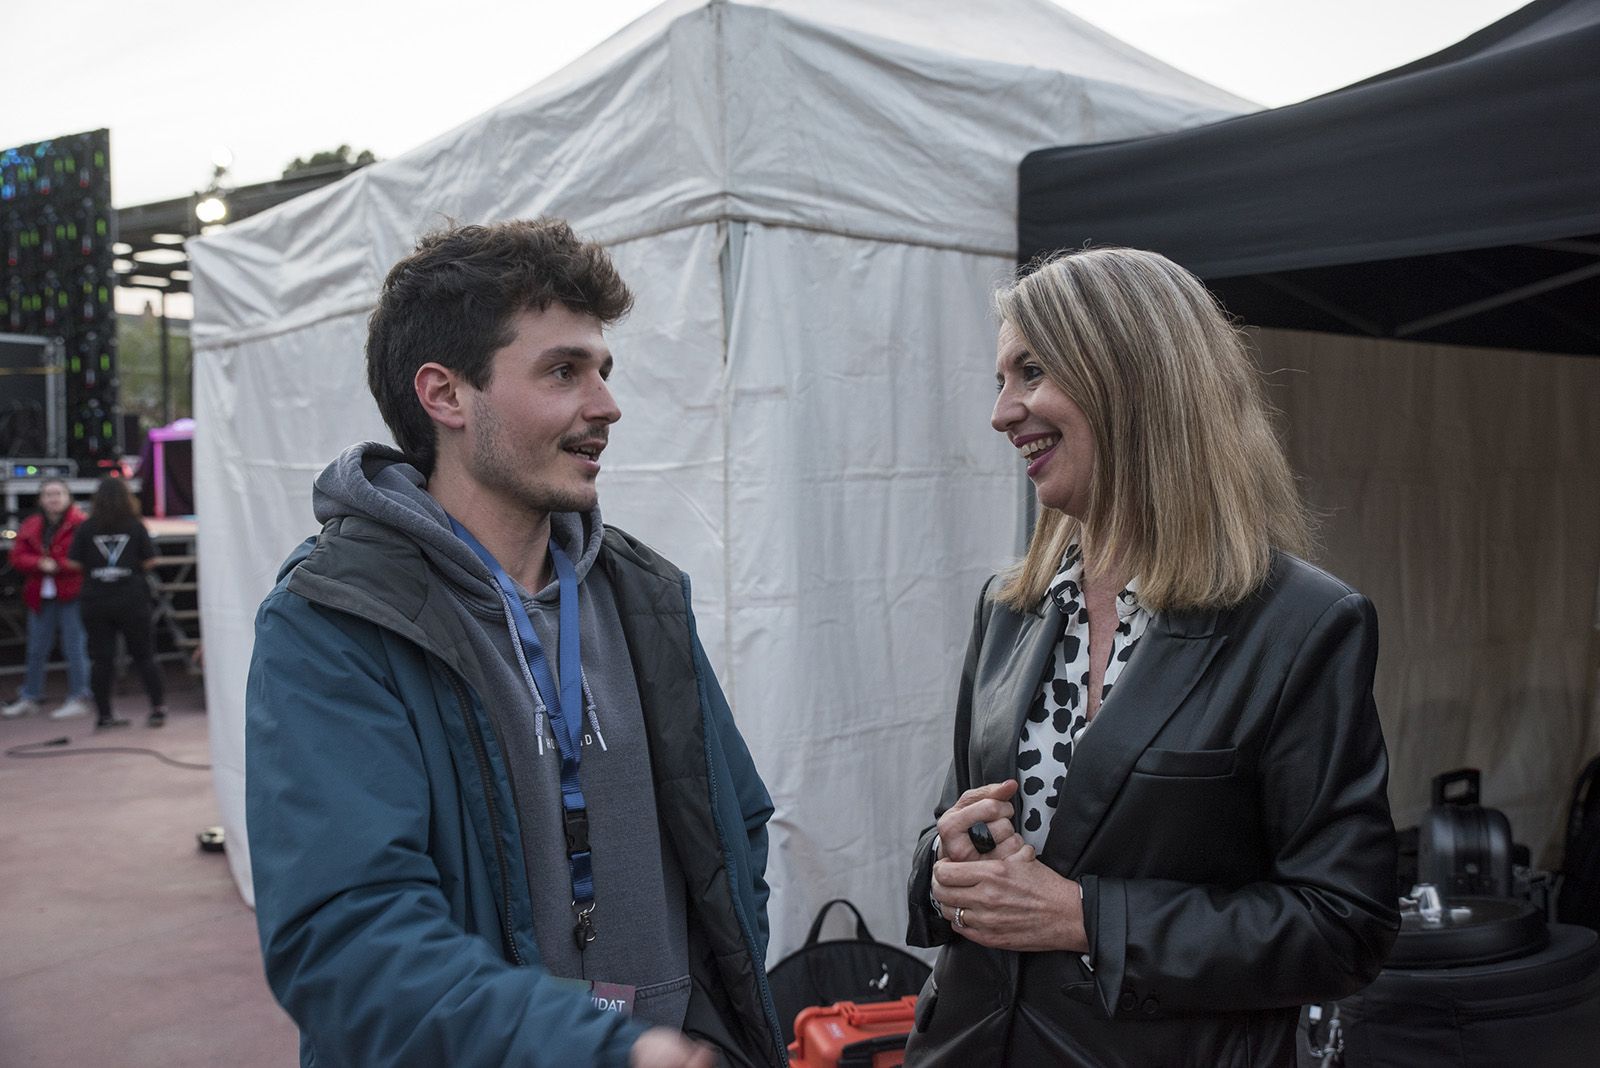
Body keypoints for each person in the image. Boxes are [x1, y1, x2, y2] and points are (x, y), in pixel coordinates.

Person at [246, 219, 784, 1068]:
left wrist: (706, 1024)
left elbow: (734, 825)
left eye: (603, 371)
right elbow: (347, 943)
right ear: (446, 395)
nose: (606, 405)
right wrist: (595, 1047)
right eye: (563, 371)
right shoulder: (333, 618)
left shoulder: (642, 594)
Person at [903, 248, 1399, 1067]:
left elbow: (1343, 926)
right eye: (1001, 379)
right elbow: (958, 822)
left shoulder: (1301, 625)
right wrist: (944, 859)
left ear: (1130, 378)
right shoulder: (1010, 606)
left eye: (1030, 372)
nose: (1001, 412)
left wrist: (1083, 918)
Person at [68, 477, 167, 730]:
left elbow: (73, 562)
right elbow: (150, 560)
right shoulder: (134, 525)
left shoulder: (87, 527)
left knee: (101, 659)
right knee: (144, 655)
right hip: (131, 598)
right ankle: (157, 709)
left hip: (96, 599)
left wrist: (99, 570)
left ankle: (104, 715)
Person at [1, 478, 94, 721]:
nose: (53, 499)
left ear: (68, 497)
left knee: (75, 647)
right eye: (48, 494)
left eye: (58, 493)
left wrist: (58, 565)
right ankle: (30, 696)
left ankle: (80, 696)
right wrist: (39, 563)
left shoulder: (80, 524)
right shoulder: (32, 524)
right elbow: (17, 556)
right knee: (36, 648)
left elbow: (86, 558)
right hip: (41, 593)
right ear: (41, 499)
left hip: (71, 592)